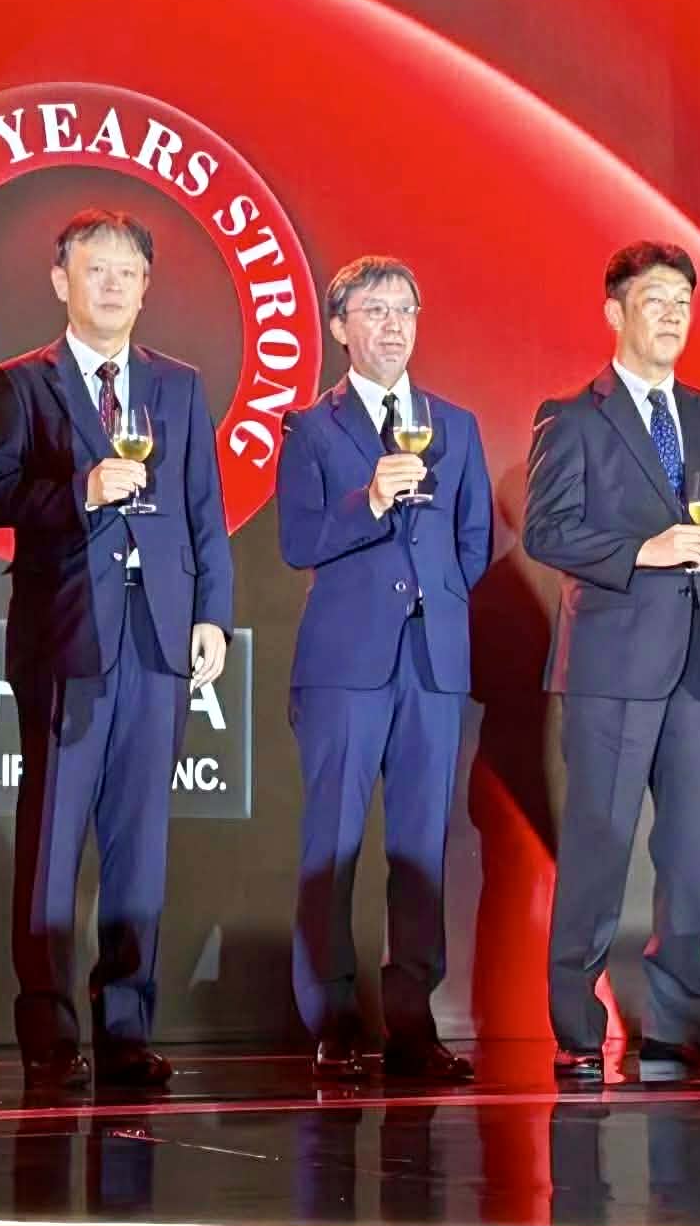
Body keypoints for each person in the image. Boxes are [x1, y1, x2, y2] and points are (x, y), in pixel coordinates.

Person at [0, 209, 235, 1090]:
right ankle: (49, 1035)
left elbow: (203, 511)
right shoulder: (23, 383)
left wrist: (210, 614)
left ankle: (125, 1031)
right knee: (52, 843)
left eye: (128, 272)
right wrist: (79, 490)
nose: (113, 285)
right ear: (62, 282)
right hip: (67, 637)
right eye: (96, 270)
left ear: (146, 288)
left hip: (158, 639)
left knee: (139, 845)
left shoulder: (177, 386)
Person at [523, 240, 700, 1081]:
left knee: (691, 854)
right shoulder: (573, 416)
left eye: (683, 303)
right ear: (615, 312)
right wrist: (643, 550)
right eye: (655, 300)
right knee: (599, 845)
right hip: (612, 665)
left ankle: (678, 1025)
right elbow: (547, 530)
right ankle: (576, 1029)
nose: (672, 316)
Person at [276, 256, 491, 1083]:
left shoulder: (455, 425)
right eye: (374, 310)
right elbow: (298, 540)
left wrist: (437, 598)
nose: (393, 325)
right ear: (340, 327)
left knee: (420, 849)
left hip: (432, 663)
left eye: (405, 310)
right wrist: (367, 500)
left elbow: (473, 540)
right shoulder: (312, 429)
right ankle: (332, 1023)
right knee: (332, 843)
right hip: (344, 664)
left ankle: (411, 1024)